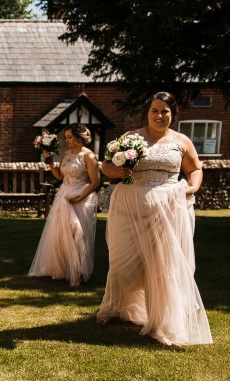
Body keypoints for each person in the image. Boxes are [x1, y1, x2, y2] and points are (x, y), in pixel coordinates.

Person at [97, 92, 212, 345]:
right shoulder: (131, 138)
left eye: (165, 111)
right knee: (121, 262)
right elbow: (105, 166)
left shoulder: (181, 141)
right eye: (154, 111)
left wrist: (191, 188)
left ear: (173, 114)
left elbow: (194, 169)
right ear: (147, 112)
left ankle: (157, 324)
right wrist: (117, 170)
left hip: (169, 208)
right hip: (129, 207)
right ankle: (115, 305)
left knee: (161, 267)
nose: (159, 116)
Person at [29, 124, 101, 286]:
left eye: (69, 137)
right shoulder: (67, 154)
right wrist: (49, 162)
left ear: (78, 138)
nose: (66, 140)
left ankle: (79, 271)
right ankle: (63, 269)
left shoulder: (89, 156)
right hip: (64, 194)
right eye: (66, 137)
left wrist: (80, 196)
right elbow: (60, 176)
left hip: (81, 196)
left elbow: (96, 182)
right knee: (61, 233)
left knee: (78, 233)